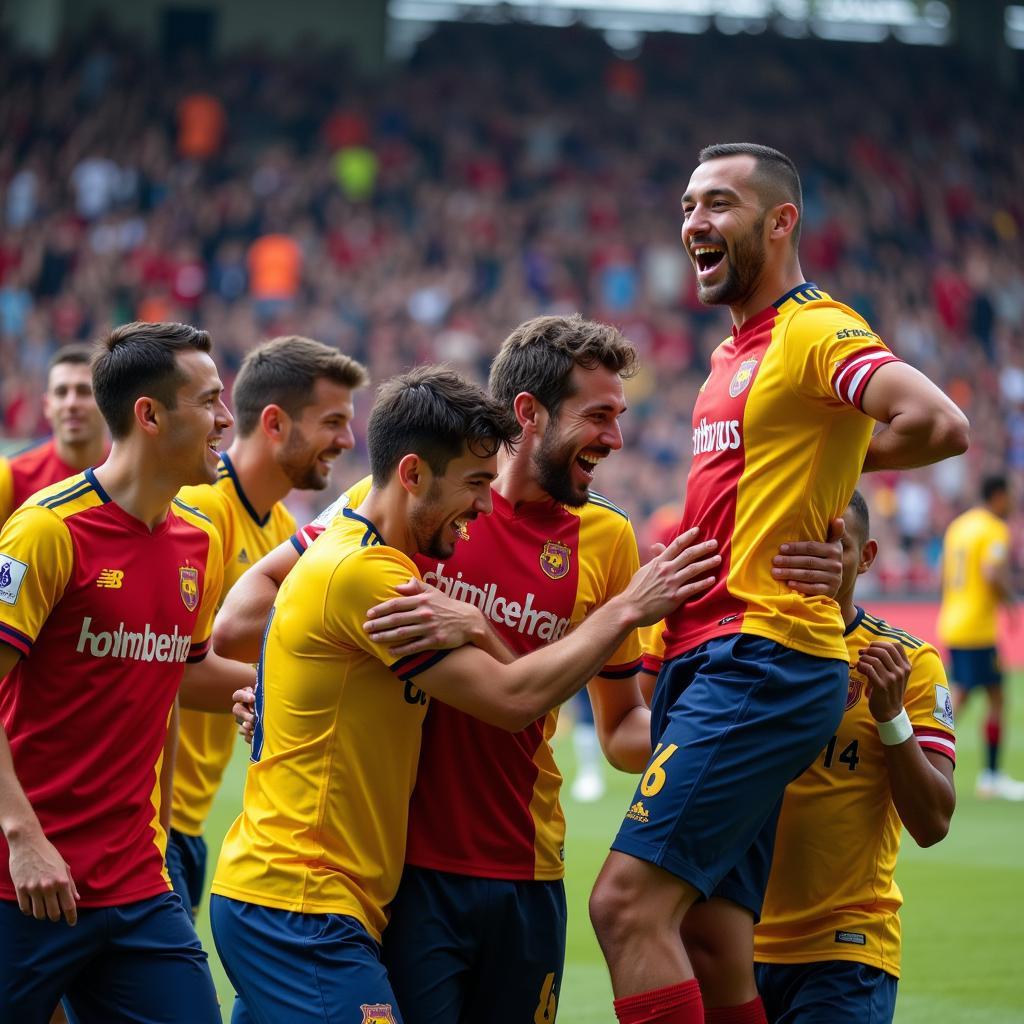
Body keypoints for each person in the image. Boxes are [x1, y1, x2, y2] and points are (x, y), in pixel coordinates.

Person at [219, 315, 844, 1024]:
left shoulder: (607, 540)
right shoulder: (415, 502)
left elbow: (621, 732)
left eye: (620, 416)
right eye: (598, 415)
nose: (614, 437)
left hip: (528, 869)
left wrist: (736, 746)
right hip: (412, 876)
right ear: (529, 413)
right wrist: (285, 691)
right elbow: (253, 606)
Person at [588, 142, 969, 1024]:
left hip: (758, 656)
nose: (694, 223)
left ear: (781, 220)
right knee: (717, 942)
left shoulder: (813, 328)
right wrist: (806, 453)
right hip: (711, 650)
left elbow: (940, 423)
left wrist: (830, 457)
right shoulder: (729, 361)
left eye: (718, 203)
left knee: (624, 906)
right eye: (687, 205)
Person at [0, 321, 247, 1023]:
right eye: (209, 401)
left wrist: (276, 691)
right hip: (22, 880)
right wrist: (24, 838)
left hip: (136, 881)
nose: (225, 419)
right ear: (149, 414)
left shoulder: (196, 543)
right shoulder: (47, 529)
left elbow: (183, 670)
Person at [168, 335, 368, 921]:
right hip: (148, 815)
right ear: (275, 423)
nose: (347, 441)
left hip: (193, 818)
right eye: (332, 421)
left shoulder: (282, 527)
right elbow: (164, 667)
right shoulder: (200, 507)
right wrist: (305, 693)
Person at [749, 490, 956, 1023]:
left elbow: (933, 821)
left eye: (835, 545)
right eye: (804, 543)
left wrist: (891, 717)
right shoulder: (740, 649)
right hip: (732, 940)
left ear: (866, 558)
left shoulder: (908, 662)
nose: (816, 559)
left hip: (846, 949)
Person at [937, 475, 1024, 800]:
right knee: (965, 696)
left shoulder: (959, 526)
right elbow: (991, 571)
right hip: (977, 627)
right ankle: (988, 775)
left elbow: (943, 573)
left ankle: (990, 774)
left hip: (955, 620)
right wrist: (1011, 602)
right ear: (998, 496)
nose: (1013, 504)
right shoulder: (994, 530)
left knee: (989, 694)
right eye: (1011, 497)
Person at [0, 344, 108, 526]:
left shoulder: (134, 476)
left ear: (108, 402)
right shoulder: (10, 477)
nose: (71, 403)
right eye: (61, 392)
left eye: (84, 391)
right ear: (47, 405)